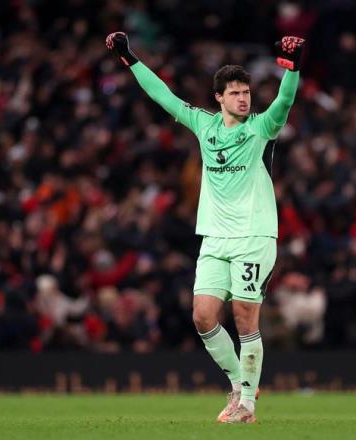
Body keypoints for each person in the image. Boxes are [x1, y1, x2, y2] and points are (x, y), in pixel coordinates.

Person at [106, 32, 305, 423]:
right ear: (219, 98)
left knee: (245, 315)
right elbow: (162, 95)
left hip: (253, 236)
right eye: (235, 93)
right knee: (202, 316)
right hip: (214, 238)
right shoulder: (203, 125)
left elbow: (284, 102)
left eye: (246, 92)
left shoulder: (261, 128)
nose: (243, 99)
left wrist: (292, 68)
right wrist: (129, 57)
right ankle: (239, 383)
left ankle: (247, 406)